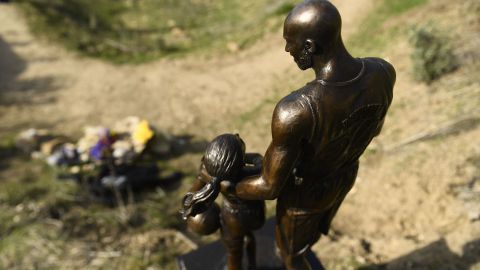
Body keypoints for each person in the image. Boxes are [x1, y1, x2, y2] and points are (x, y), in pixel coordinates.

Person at [200, 1, 396, 269]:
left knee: (291, 255)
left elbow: (270, 187)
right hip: (345, 176)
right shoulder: (383, 72)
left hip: (305, 197)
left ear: (309, 47)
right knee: (306, 241)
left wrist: (225, 185)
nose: (287, 50)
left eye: (290, 42)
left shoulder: (295, 111)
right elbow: (373, 129)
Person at [182, 134, 265, 270]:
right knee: (250, 237)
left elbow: (191, 193)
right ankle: (252, 265)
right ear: (239, 163)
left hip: (231, 219)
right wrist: (244, 157)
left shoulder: (207, 174)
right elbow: (259, 160)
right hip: (254, 215)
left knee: (233, 251)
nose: (238, 135)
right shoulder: (249, 176)